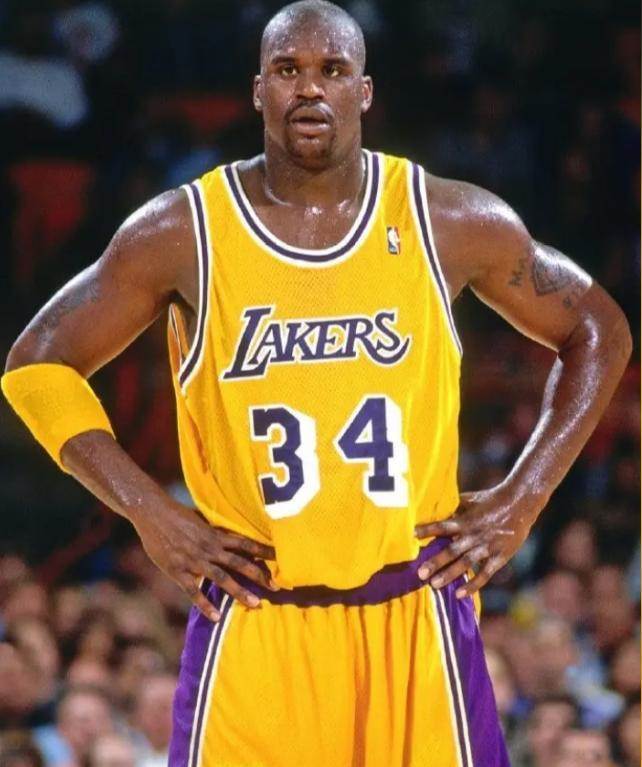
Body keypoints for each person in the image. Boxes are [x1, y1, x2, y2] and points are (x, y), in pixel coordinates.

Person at [2, 1, 631, 765]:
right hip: (255, 619)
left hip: (413, 615)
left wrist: (524, 497)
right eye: (287, 69)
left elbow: (599, 330)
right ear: (257, 90)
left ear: (363, 91)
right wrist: (148, 511)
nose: (309, 87)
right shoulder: (182, 233)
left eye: (332, 69)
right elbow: (37, 364)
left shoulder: (447, 218)